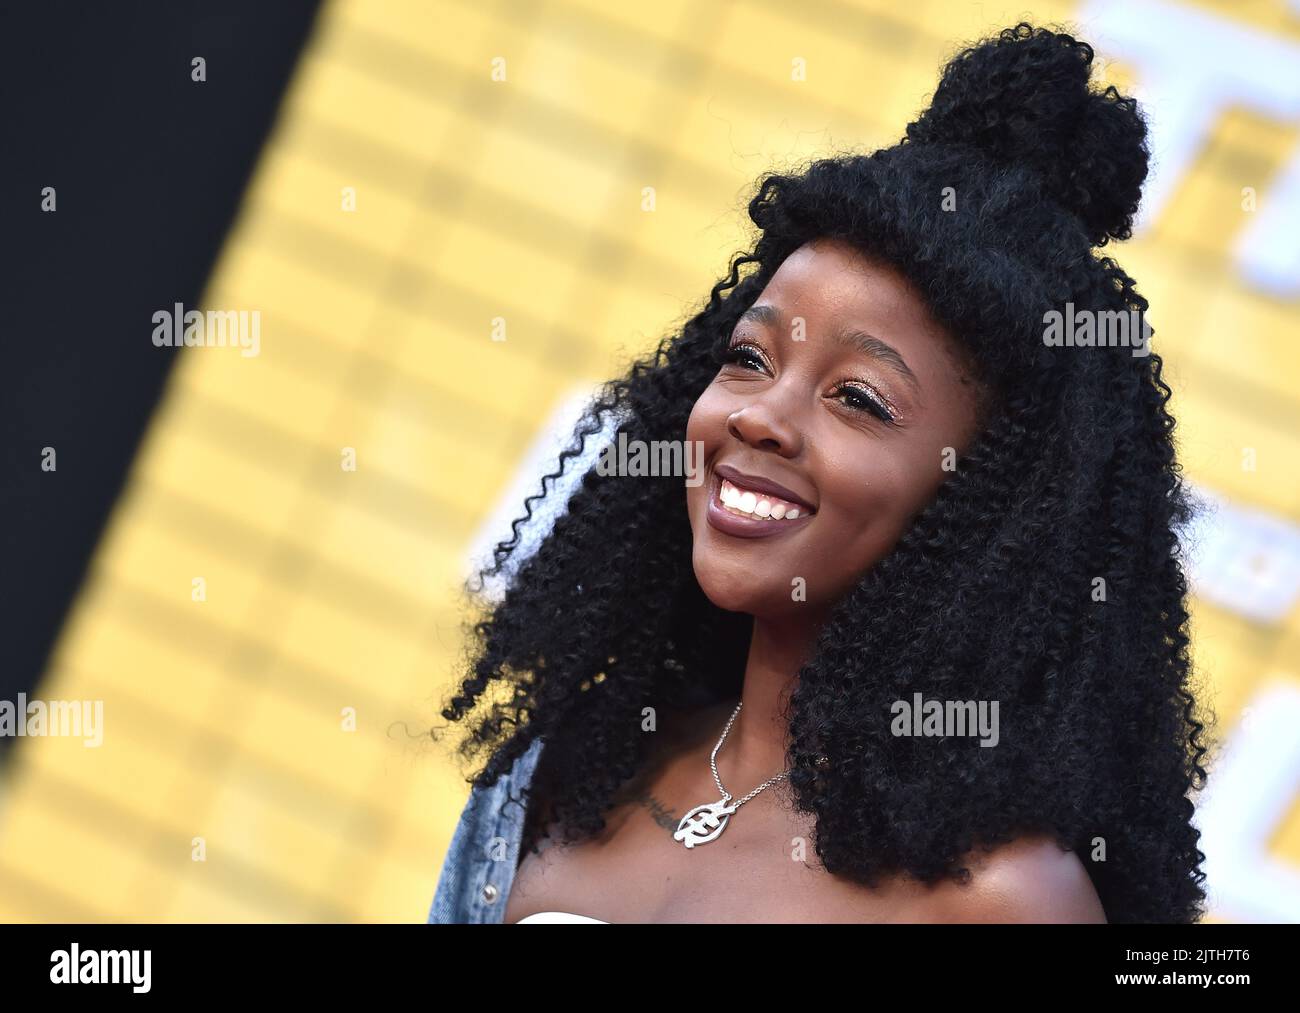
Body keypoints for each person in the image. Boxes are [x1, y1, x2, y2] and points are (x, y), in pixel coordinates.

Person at [429, 22, 1210, 925]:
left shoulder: (999, 897)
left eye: (858, 399)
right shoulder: (564, 771)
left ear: (990, 500)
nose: (758, 415)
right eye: (751, 359)